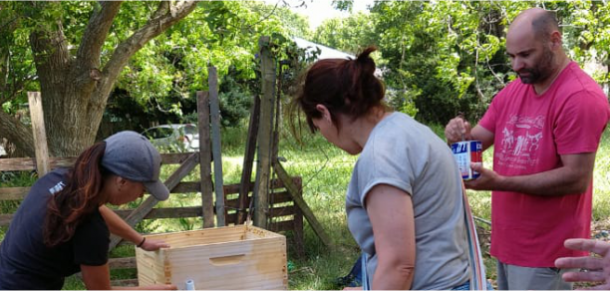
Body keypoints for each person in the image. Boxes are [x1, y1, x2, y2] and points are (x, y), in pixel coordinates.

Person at [444, 8, 610, 290]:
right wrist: (457, 135)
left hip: (547, 250)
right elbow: (476, 140)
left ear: (554, 40)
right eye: (511, 56)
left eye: (525, 55)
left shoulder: (579, 97)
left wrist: (501, 182)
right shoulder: (513, 91)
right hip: (507, 242)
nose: (516, 65)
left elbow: (576, 178)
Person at [291, 47, 474, 290]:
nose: (324, 137)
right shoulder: (411, 130)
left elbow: (398, 266)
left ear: (324, 113)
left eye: (317, 127)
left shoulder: (381, 156)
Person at [0, 131, 177, 290]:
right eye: (143, 189)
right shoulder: (91, 230)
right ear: (121, 182)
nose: (141, 196)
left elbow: (97, 210)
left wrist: (141, 241)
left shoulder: (63, 179)